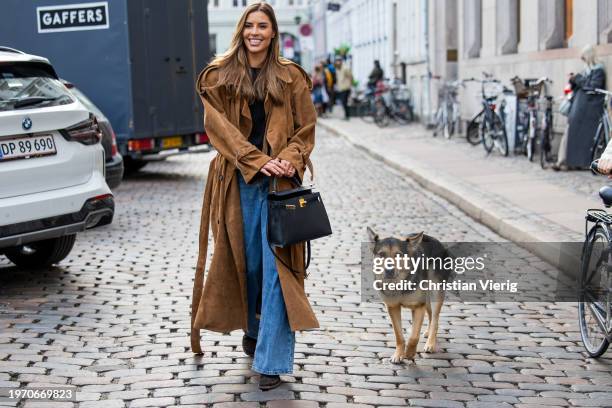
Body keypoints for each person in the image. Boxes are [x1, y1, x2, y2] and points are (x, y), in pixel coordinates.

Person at [191, 2, 319, 391]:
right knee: (245, 265)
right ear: (241, 31)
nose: (255, 32)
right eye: (250, 26)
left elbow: (305, 129)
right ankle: (253, 326)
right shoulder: (218, 77)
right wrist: (258, 160)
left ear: (273, 32)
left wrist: (287, 159)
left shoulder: (291, 77)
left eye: (263, 26)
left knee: (279, 270)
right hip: (237, 182)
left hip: (281, 185)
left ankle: (270, 362)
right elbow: (220, 131)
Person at [554, 44, 606, 171]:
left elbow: (593, 87)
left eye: (584, 58)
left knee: (580, 135)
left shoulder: (598, 70)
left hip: (589, 109)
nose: (583, 61)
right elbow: (581, 85)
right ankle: (567, 161)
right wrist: (573, 80)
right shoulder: (587, 70)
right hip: (580, 108)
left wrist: (578, 79)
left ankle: (572, 162)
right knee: (572, 133)